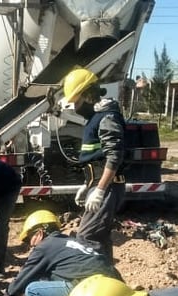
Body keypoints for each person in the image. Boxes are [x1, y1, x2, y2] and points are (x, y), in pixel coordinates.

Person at [62, 67, 126, 261]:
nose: (75, 107)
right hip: (99, 183)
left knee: (86, 237)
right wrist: (88, 183)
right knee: (100, 237)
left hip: (106, 187)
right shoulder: (95, 118)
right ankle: (106, 277)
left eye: (77, 101)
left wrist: (99, 189)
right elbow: (96, 158)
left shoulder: (107, 117)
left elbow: (114, 156)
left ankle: (91, 279)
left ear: (89, 95)